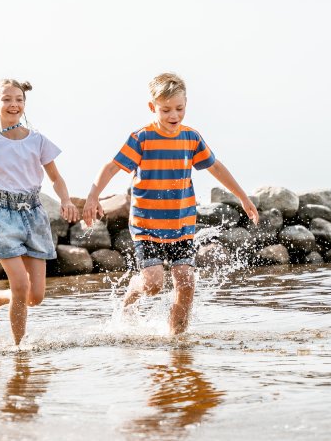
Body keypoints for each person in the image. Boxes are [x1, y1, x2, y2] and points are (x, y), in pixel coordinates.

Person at [83, 72, 258, 334]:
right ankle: (133, 290)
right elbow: (111, 167)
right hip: (146, 225)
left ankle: (177, 342)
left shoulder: (191, 138)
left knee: (186, 283)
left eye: (179, 108)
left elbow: (216, 167)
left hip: (181, 224)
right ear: (152, 107)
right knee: (153, 284)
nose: (173, 115)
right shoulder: (142, 138)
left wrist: (243, 197)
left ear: (186, 105)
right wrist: (93, 196)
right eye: (165, 110)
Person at [0, 79, 80, 345]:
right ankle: (19, 351)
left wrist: (66, 200)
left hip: (35, 215)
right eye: (7, 99)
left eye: (19, 99)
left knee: (35, 297)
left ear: (24, 104)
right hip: (4, 216)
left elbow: (55, 177)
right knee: (20, 286)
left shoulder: (37, 140)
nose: (14, 104)